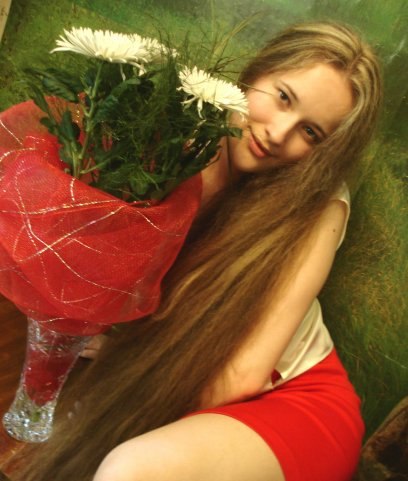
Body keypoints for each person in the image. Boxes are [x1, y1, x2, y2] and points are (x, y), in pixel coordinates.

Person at [16, 21, 382, 481]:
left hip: (288, 401)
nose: (278, 133)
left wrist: (116, 381)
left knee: (130, 469)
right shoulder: (175, 141)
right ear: (256, 72)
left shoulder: (316, 203)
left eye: (310, 133)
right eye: (283, 97)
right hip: (176, 375)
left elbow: (243, 376)